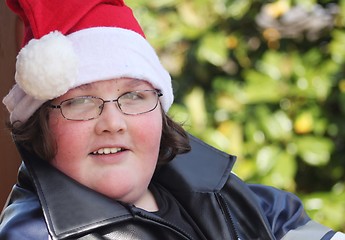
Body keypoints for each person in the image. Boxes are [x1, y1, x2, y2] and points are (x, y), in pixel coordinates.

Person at [0, 0, 344, 239]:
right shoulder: (35, 233)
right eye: (81, 102)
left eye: (134, 96)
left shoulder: (210, 186)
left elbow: (282, 219)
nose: (112, 122)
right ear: (40, 126)